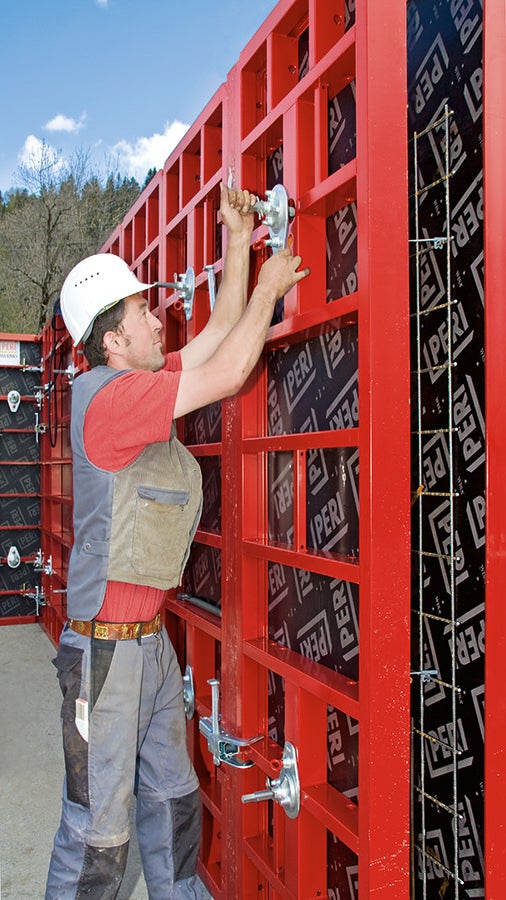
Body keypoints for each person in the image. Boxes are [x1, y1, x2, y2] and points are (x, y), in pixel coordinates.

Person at [45, 182, 309, 899]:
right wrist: (274, 280)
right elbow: (228, 370)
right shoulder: (109, 400)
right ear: (112, 341)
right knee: (98, 834)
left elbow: (215, 336)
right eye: (140, 310)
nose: (156, 315)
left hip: (146, 643)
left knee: (172, 802)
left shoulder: (138, 381)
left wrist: (236, 240)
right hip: (103, 656)